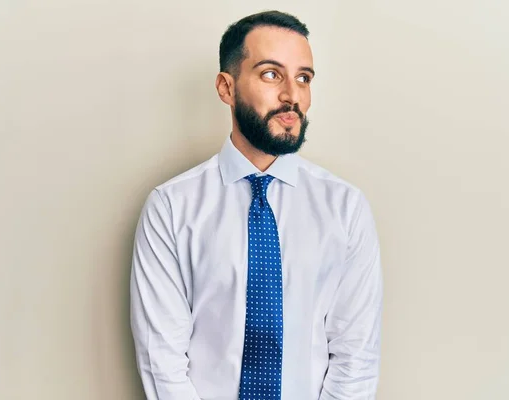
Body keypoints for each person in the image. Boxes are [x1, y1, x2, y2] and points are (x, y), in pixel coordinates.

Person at [130, 10, 383, 400]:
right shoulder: (171, 208)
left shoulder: (345, 209)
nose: (291, 95)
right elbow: (160, 360)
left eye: (303, 78)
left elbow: (356, 355)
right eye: (270, 74)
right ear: (226, 88)